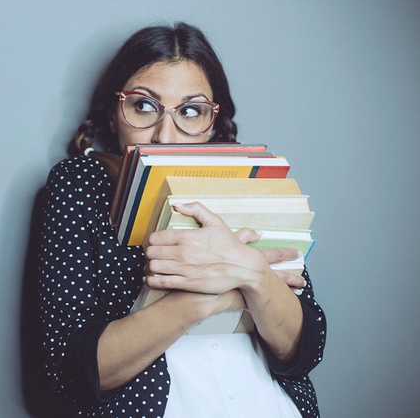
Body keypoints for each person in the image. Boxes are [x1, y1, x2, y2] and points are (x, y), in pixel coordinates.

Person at [36, 22, 326, 417]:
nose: (165, 137)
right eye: (143, 106)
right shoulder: (80, 184)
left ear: (212, 122)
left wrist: (254, 274)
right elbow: (74, 372)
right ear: (113, 113)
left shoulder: (252, 182)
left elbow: (305, 349)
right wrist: (210, 296)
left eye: (190, 111)